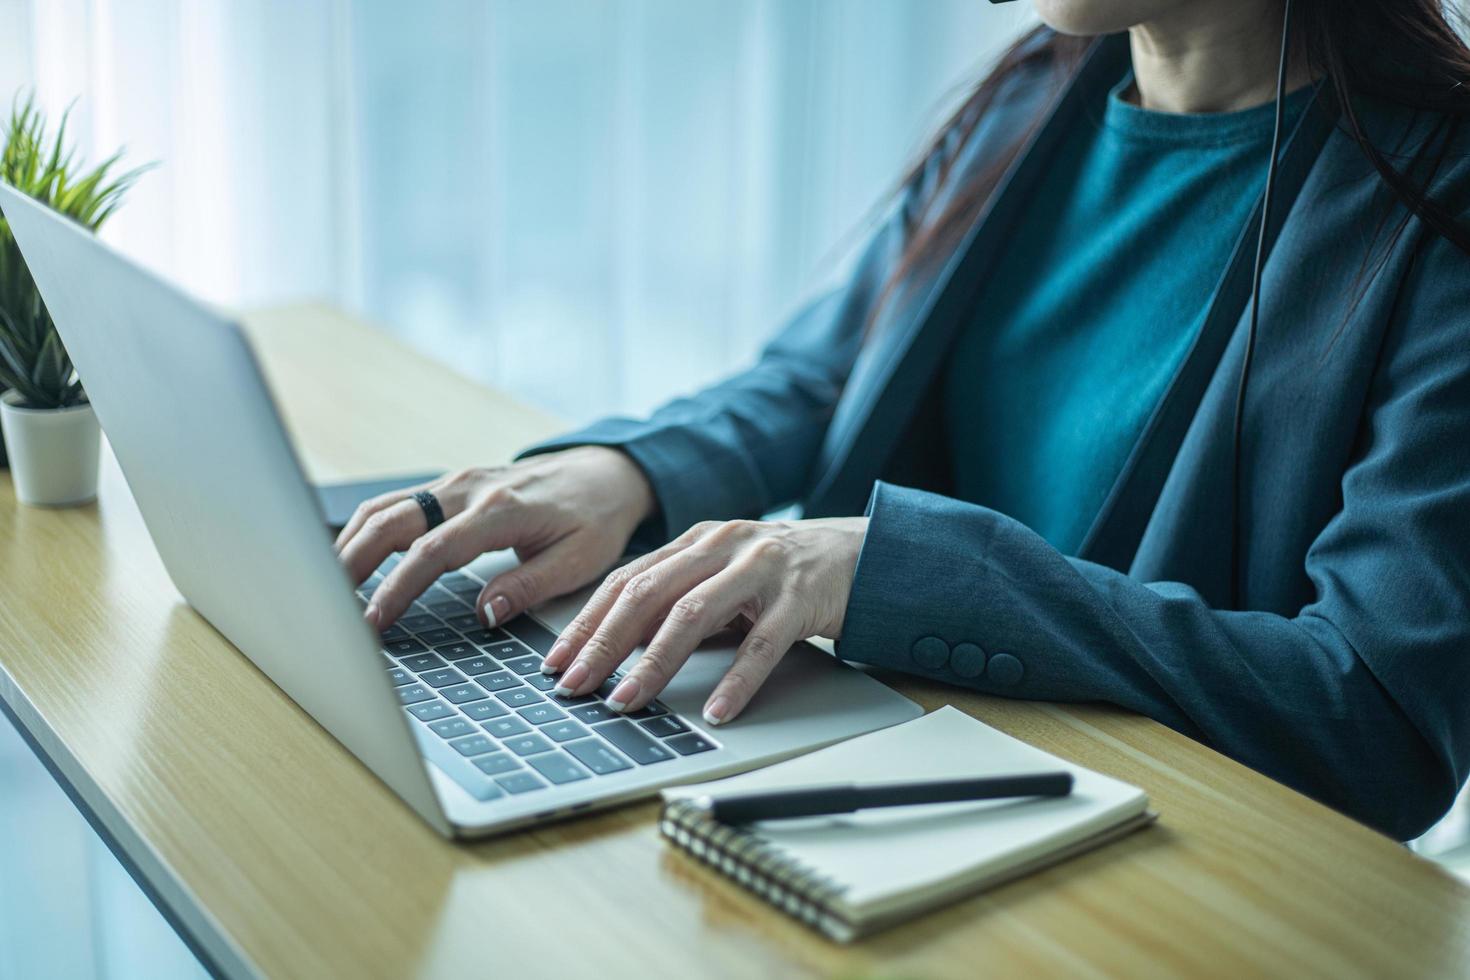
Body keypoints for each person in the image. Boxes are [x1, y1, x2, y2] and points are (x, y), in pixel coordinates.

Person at [334, 0, 1470, 840]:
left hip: (1173, 878)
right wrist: (623, 470)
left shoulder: (1440, 199)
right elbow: (827, 374)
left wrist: (906, 568)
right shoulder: (1038, 90)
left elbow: (1375, 718)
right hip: (919, 798)